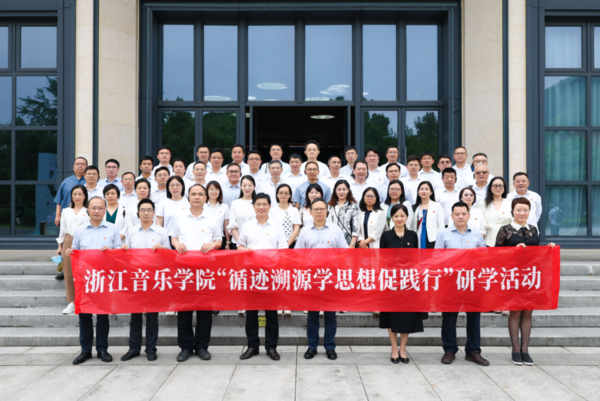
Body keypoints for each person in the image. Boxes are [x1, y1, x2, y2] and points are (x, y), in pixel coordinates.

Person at [495, 197, 556, 366]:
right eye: (518, 210)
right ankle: (515, 349)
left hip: (531, 277)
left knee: (528, 312)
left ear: (530, 212)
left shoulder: (533, 230)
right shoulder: (505, 230)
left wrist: (548, 249)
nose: (522, 213)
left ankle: (525, 350)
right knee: (515, 313)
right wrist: (513, 251)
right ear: (512, 211)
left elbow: (536, 253)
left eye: (525, 210)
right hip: (513, 277)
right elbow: (496, 254)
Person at [65, 196, 122, 365]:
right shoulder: (80, 230)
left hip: (104, 279)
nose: (97, 211)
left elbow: (119, 251)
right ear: (88, 210)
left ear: (105, 210)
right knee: (84, 316)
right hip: (85, 279)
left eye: (100, 208)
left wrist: (111, 251)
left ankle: (102, 349)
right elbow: (75, 251)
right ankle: (86, 350)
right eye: (94, 208)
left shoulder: (112, 229)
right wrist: (70, 252)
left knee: (103, 316)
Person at [171, 184, 222, 362]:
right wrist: (176, 244)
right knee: (184, 308)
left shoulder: (213, 217)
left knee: (204, 309)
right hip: (184, 268)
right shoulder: (179, 216)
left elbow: (219, 240)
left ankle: (201, 346)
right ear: (189, 197)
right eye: (194, 194)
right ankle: (185, 347)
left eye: (200, 194)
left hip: (205, 269)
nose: (197, 197)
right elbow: (173, 237)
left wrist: (212, 245)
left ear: (206, 198)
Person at [435, 201, 489, 367]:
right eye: (457, 214)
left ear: (469, 215)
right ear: (451, 216)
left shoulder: (476, 235)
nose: (460, 216)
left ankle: (473, 351)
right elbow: (437, 257)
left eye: (463, 214)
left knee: (474, 317)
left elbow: (485, 255)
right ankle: (449, 350)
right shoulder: (443, 234)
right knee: (449, 317)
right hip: (451, 281)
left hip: (472, 281)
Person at [237, 193, 289, 361]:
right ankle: (252, 346)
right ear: (253, 206)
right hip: (252, 274)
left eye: (264, 204)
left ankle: (271, 347)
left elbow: (283, 250)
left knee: (271, 313)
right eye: (258, 204)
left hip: (271, 274)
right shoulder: (247, 226)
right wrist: (245, 250)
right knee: (251, 313)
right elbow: (239, 246)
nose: (261, 207)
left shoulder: (277, 226)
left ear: (269, 206)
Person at [296, 198, 348, 361]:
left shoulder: (335, 230)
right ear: (310, 212)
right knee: (312, 315)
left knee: (330, 315)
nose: (319, 211)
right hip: (311, 278)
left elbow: (344, 253)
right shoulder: (305, 231)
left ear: (327, 211)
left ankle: (330, 346)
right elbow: (298, 254)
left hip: (330, 278)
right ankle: (312, 346)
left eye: (322, 209)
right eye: (316, 209)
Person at [120, 198, 169, 362]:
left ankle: (151, 349)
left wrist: (163, 249)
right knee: (135, 316)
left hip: (154, 279)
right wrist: (124, 249)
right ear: (138, 213)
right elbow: (125, 254)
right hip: (136, 278)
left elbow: (169, 255)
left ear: (154, 213)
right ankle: (133, 348)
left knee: (152, 316)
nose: (146, 213)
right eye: (143, 210)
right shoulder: (132, 232)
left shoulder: (161, 232)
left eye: (149, 210)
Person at [379, 204, 423, 364]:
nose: (399, 219)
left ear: (407, 218)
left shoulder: (412, 235)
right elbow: (382, 260)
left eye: (402, 216)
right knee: (391, 316)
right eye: (396, 216)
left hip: (409, 282)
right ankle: (394, 349)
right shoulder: (386, 236)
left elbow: (416, 258)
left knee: (407, 316)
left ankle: (403, 349)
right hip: (391, 282)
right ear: (391, 218)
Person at [56, 185, 89, 314]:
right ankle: (72, 302)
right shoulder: (66, 211)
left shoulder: (88, 210)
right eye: (74, 194)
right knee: (69, 272)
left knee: (85, 272)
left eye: (80, 194)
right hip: (69, 240)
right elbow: (62, 229)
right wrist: (60, 246)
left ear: (85, 196)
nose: (77, 197)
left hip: (85, 241)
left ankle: (85, 300)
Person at [475, 176, 512, 247]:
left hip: (507, 242)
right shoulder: (481, 205)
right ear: (490, 188)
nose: (498, 188)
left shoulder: (510, 204)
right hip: (487, 243)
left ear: (504, 188)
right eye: (495, 186)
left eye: (500, 186)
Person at [54, 156, 88, 227]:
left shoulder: (91, 181)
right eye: (77, 164)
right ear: (73, 166)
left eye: (82, 164)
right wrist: (57, 216)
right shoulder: (66, 182)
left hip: (85, 216)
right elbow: (59, 201)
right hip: (68, 216)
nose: (80, 166)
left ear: (87, 167)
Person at [409, 181, 445, 249]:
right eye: (421, 189)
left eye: (426, 189)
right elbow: (412, 225)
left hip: (432, 238)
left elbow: (441, 226)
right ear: (418, 192)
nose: (424, 191)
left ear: (431, 192)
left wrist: (440, 240)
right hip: (417, 235)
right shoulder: (414, 207)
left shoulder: (437, 205)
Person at [156, 176, 190, 246]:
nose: (175, 188)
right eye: (172, 185)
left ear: (182, 186)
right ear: (168, 187)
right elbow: (159, 223)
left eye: (177, 185)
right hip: (167, 238)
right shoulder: (163, 203)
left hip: (184, 238)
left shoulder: (188, 203)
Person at [228, 175, 257, 255]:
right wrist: (241, 244)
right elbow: (233, 226)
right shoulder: (235, 203)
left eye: (250, 185)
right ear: (240, 186)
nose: (247, 188)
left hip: (255, 243)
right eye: (244, 185)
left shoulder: (258, 204)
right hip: (237, 243)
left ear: (254, 187)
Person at [327, 180, 359, 247]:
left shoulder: (353, 206)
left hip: (348, 242)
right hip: (331, 240)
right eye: (339, 189)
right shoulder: (330, 206)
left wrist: (353, 243)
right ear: (335, 190)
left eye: (344, 189)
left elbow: (356, 226)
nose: (341, 192)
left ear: (348, 190)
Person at [270, 183, 301, 249]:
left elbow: (296, 229)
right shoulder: (271, 211)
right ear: (277, 195)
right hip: (276, 243)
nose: (283, 195)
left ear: (290, 195)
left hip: (291, 243)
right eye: (281, 193)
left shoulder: (294, 210)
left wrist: (287, 245)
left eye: (286, 193)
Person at [205, 181, 230, 250]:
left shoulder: (224, 207)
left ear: (220, 192)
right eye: (211, 189)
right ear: (207, 191)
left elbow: (226, 226)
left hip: (220, 240)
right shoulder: (203, 206)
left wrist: (228, 242)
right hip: (206, 238)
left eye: (216, 190)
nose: (214, 192)